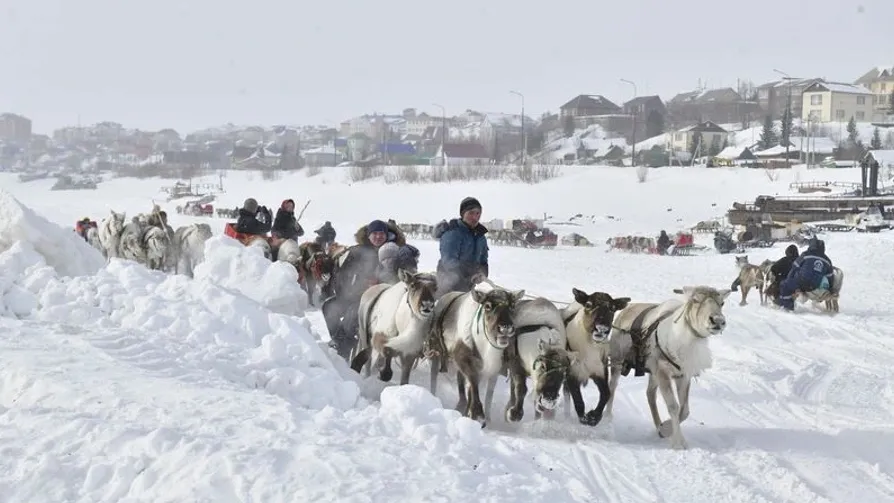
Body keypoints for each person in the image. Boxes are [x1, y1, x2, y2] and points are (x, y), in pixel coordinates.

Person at [323, 219, 406, 359]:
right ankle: (339, 339)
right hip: (353, 294)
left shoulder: (393, 251)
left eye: (381, 233)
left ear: (387, 235)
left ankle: (344, 349)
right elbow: (342, 273)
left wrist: (380, 283)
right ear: (368, 235)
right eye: (375, 233)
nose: (378, 236)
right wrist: (347, 289)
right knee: (329, 307)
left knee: (352, 315)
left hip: (380, 298)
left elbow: (401, 276)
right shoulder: (356, 251)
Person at [435, 196, 489, 296]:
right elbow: (449, 262)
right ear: (463, 214)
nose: (475, 217)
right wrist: (470, 275)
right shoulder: (453, 233)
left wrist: (482, 274)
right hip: (449, 285)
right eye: (471, 213)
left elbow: (483, 261)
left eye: (478, 213)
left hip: (472, 285)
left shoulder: (481, 237)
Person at [776, 238, 833, 311]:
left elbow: (794, 267)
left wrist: (789, 279)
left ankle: (787, 307)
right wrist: (830, 290)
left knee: (784, 284)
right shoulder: (827, 260)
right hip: (815, 286)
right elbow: (830, 277)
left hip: (801, 283)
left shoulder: (806, 254)